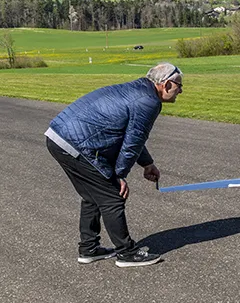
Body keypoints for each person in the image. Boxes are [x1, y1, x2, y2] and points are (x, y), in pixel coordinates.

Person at [46, 62, 183, 267]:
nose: (180, 90)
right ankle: (126, 253)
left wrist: (147, 163)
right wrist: (119, 175)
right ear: (166, 84)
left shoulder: (139, 91)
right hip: (77, 144)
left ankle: (89, 249)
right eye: (179, 86)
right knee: (112, 196)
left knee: (92, 195)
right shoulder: (149, 101)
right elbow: (133, 142)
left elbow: (132, 136)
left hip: (58, 137)